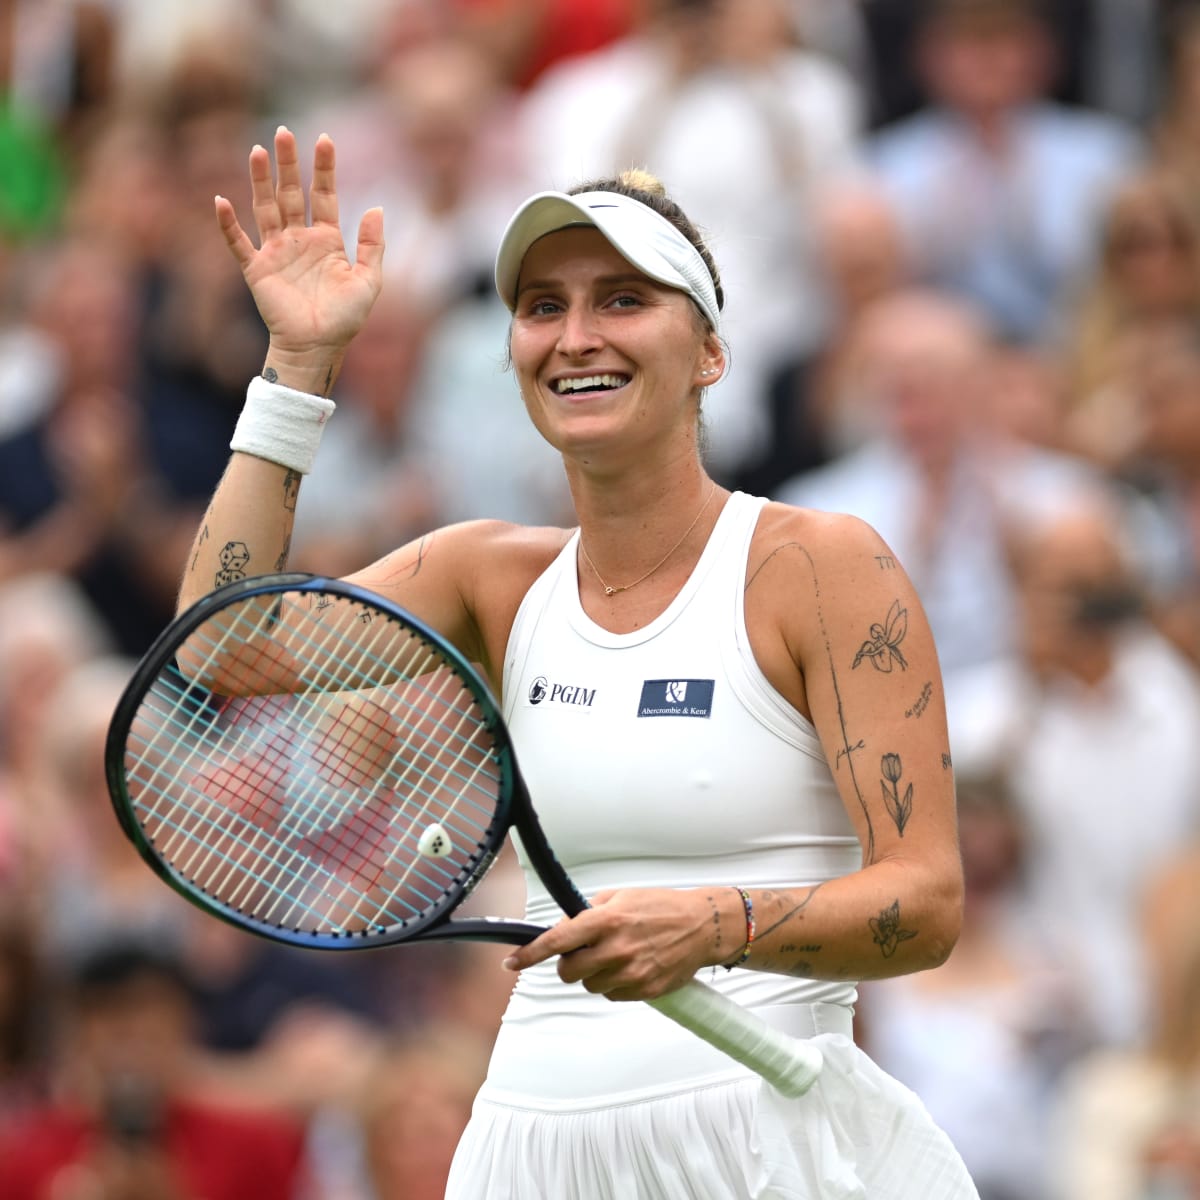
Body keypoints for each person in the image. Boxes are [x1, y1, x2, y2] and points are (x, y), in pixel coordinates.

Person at [187, 126, 977, 1197]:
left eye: (622, 300)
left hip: (764, 1144)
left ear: (709, 353)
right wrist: (297, 364)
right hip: (528, 1148)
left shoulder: (819, 565)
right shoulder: (487, 576)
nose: (574, 337)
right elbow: (218, 654)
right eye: (542, 306)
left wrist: (711, 925)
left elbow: (924, 905)